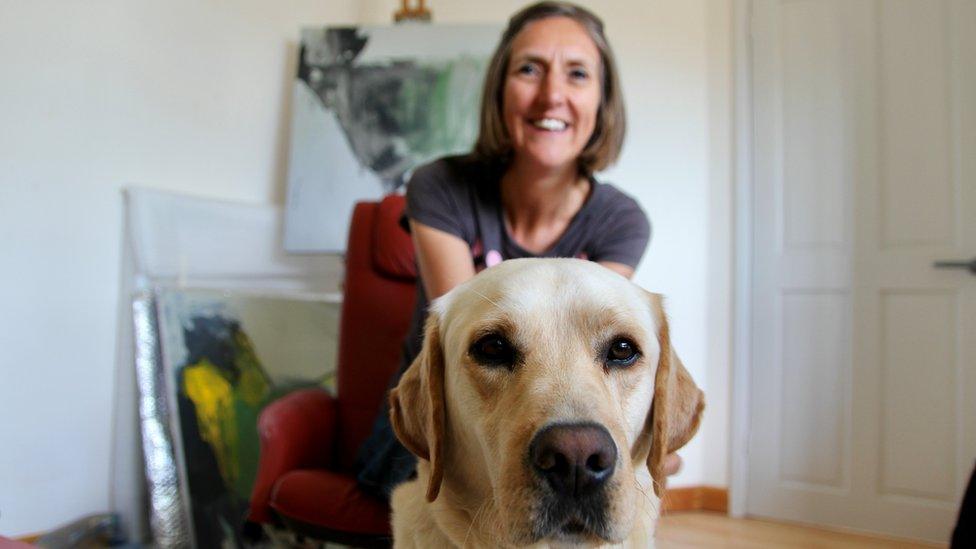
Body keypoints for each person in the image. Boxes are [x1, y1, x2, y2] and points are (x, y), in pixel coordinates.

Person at [355, 0, 679, 500]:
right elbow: (466, 340)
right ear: (499, 90)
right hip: (440, 421)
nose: (552, 95)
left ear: (602, 100)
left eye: (577, 74)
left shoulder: (622, 220)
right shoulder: (440, 187)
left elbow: (592, 357)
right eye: (530, 69)